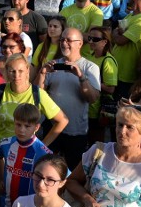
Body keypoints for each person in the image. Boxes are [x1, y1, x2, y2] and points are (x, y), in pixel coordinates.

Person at [35, 27, 101, 167]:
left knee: (71, 171)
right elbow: (37, 94)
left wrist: (81, 77)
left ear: (80, 44)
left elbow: (93, 98)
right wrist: (42, 73)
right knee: (47, 167)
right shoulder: (54, 64)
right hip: (52, 128)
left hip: (76, 131)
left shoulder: (90, 67)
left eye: (69, 40)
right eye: (62, 40)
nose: (64, 43)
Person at [0, 54, 68, 155]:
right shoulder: (0, 91)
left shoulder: (38, 94)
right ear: (7, 72)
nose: (16, 75)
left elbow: (62, 120)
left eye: (20, 71)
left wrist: (41, 146)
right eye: (12, 71)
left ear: (27, 71)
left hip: (25, 156)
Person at [30, 16, 67, 80]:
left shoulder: (67, 47)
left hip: (59, 82)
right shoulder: (41, 46)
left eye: (55, 26)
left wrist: (52, 67)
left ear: (62, 29)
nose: (51, 29)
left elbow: (68, 67)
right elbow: (35, 68)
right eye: (50, 26)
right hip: (42, 81)